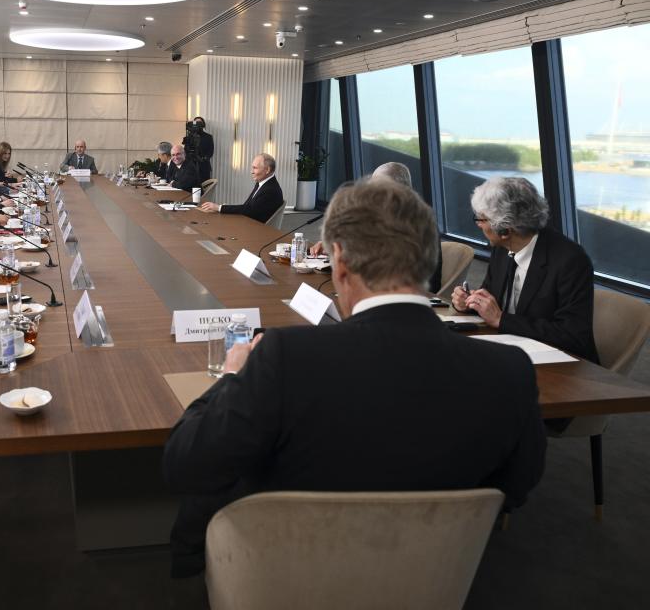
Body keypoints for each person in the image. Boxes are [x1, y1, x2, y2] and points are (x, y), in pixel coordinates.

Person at [164, 178, 547, 577]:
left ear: (340, 264)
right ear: (427, 260)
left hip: (287, 577)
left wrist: (231, 375)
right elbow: (515, 488)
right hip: (430, 580)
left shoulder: (284, 358)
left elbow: (186, 465)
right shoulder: (510, 371)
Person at [451, 176, 599, 363]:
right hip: (511, 355)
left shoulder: (570, 261)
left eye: (481, 219)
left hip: (564, 369)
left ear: (505, 230)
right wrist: (469, 304)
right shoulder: (502, 249)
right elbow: (491, 303)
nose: (478, 224)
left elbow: (572, 335)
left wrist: (501, 319)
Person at [310, 162, 443, 294]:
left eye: (377, 188)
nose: (371, 193)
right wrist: (335, 247)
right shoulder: (377, 216)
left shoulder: (419, 224)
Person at [199, 152, 284, 223]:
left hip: (257, 230)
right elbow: (247, 207)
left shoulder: (271, 189)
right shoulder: (263, 183)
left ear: (267, 170)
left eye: (255, 168)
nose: (251, 171)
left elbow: (249, 210)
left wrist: (219, 208)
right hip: (249, 223)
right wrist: (222, 208)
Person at [183, 116, 214, 181]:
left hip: (203, 166)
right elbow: (185, 150)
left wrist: (203, 158)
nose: (197, 124)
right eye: (196, 122)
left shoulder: (208, 137)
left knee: (203, 186)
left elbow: (210, 152)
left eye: (199, 123)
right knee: (192, 185)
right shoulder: (189, 137)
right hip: (191, 166)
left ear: (203, 124)